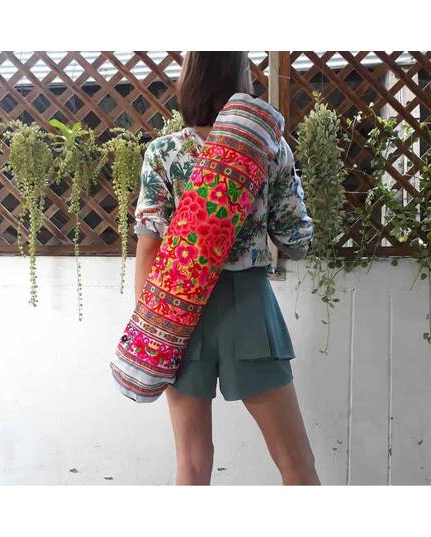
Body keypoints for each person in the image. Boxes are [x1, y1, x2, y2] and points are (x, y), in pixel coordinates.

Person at [132, 51, 319, 486]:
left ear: (189, 81)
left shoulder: (163, 152)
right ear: (240, 78)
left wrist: (150, 330)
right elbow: (295, 239)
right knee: (296, 461)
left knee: (192, 463)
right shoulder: (268, 146)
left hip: (178, 311)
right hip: (249, 311)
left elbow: (148, 247)